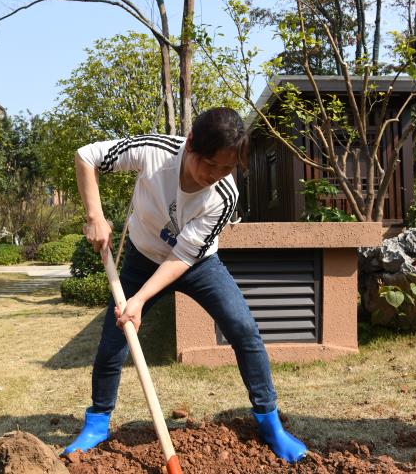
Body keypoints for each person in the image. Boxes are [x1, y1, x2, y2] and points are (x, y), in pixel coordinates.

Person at [63, 107, 307, 463]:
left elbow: (183, 256)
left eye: (228, 168)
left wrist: (141, 300)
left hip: (197, 263)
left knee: (242, 328)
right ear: (190, 143)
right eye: (210, 164)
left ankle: (270, 423)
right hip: (143, 255)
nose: (216, 175)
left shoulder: (224, 195)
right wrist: (95, 216)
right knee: (114, 338)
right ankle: (98, 421)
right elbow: (86, 157)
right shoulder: (154, 151)